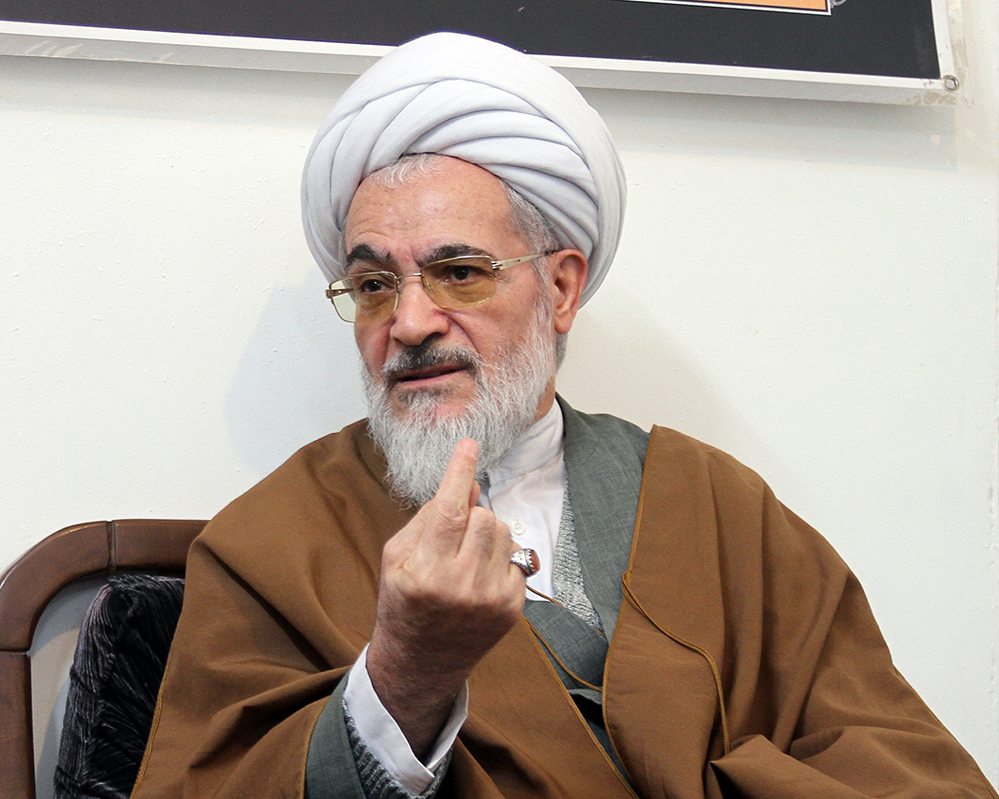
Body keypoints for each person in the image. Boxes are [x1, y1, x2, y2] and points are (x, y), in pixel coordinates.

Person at [131, 32, 997, 799]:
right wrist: (401, 677)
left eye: (459, 272)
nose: (411, 321)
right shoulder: (268, 544)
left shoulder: (718, 506)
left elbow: (897, 758)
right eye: (373, 284)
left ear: (561, 287)